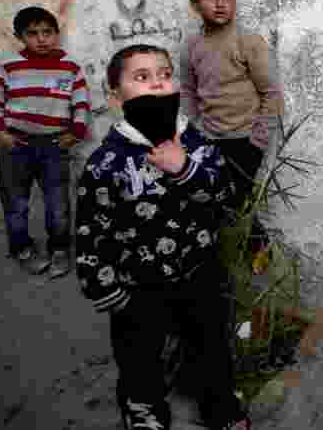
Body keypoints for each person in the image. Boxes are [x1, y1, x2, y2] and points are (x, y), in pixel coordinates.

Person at [74, 44, 250, 430]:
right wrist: (102, 285)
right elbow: (90, 230)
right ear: (116, 97)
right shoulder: (106, 162)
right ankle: (144, 406)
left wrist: (185, 168)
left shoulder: (197, 144)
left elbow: (227, 195)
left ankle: (218, 402)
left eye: (164, 74)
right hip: (137, 286)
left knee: (210, 346)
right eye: (141, 77)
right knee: (138, 354)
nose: (157, 82)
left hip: (199, 274)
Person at [180, 0, 282, 258]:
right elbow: (188, 91)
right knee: (213, 200)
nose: (221, 4)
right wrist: (194, 131)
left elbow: (272, 94)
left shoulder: (248, 42)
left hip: (245, 139)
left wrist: (258, 142)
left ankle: (259, 251)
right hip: (209, 140)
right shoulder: (191, 47)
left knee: (238, 201)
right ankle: (233, 256)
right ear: (194, 4)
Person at [0, 6, 89, 278]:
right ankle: (22, 249)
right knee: (15, 203)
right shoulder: (7, 66)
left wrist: (75, 133)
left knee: (58, 204)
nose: (41, 39)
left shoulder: (70, 67)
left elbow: (81, 104)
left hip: (55, 146)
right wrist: (0, 134)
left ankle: (60, 249)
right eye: (32, 34)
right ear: (19, 37)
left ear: (56, 34)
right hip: (16, 145)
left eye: (47, 32)